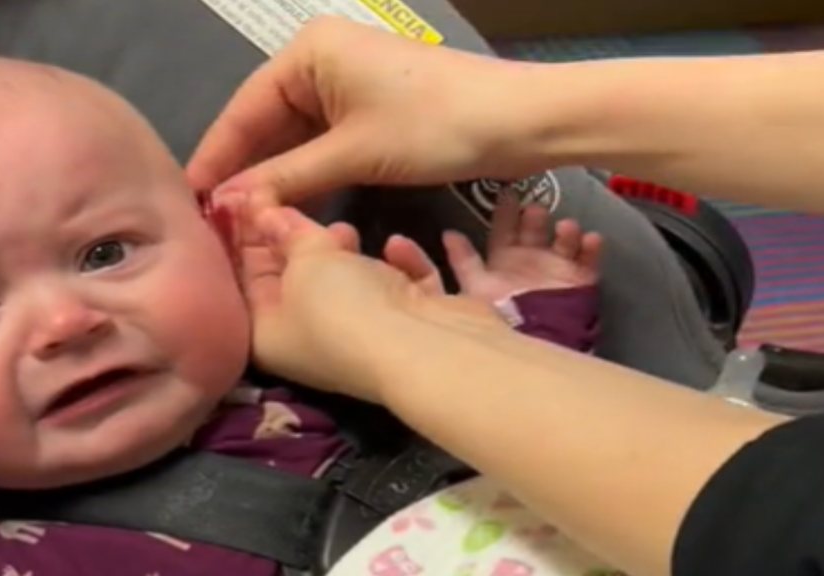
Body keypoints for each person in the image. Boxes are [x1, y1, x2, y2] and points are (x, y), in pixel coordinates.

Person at [0, 54, 609, 576]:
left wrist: (522, 307)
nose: (65, 324)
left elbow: (529, 412)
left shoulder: (344, 349)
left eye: (104, 254)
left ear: (215, 231)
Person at [187, 15, 824, 576]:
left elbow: (514, 430)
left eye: (110, 254)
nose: (82, 318)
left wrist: (512, 311)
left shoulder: (283, 390)